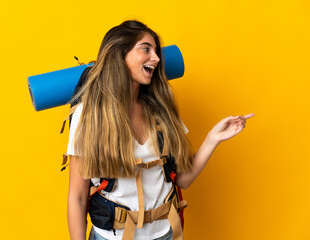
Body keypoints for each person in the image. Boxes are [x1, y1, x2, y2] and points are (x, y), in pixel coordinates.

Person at [66, 20, 255, 240]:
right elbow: (77, 197)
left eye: (156, 51)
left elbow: (182, 179)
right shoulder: (89, 115)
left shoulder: (160, 110)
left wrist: (214, 137)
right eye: (146, 49)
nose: (156, 58)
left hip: (167, 233)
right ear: (120, 54)